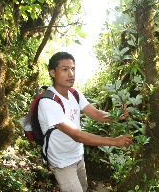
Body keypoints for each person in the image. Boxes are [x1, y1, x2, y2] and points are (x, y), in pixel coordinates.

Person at [38, 51, 132, 192]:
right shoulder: (48, 102)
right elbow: (77, 135)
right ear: (52, 72)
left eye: (73, 68)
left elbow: (96, 114)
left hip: (77, 154)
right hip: (62, 162)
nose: (71, 74)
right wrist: (114, 141)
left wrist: (116, 115)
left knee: (83, 187)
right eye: (65, 69)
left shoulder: (74, 93)